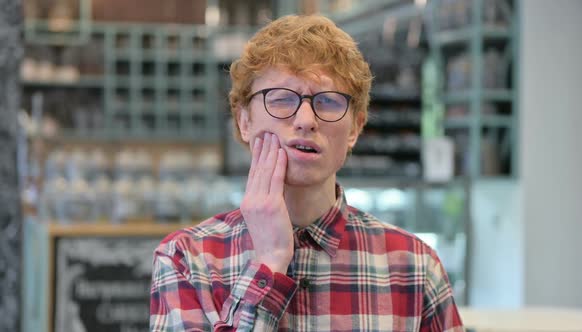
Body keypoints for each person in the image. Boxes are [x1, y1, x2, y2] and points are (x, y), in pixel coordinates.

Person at [150, 14, 464, 331]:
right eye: (282, 99)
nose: (305, 119)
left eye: (328, 101)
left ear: (356, 126)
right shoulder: (187, 260)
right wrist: (270, 262)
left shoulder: (415, 268)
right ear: (245, 122)